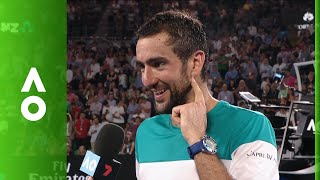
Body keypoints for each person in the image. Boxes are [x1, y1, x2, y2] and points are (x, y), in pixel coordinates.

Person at [134, 10, 278, 180]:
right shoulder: (146, 132)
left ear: (195, 63)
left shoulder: (250, 126)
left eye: (158, 64)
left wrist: (198, 140)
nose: (146, 80)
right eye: (142, 67)